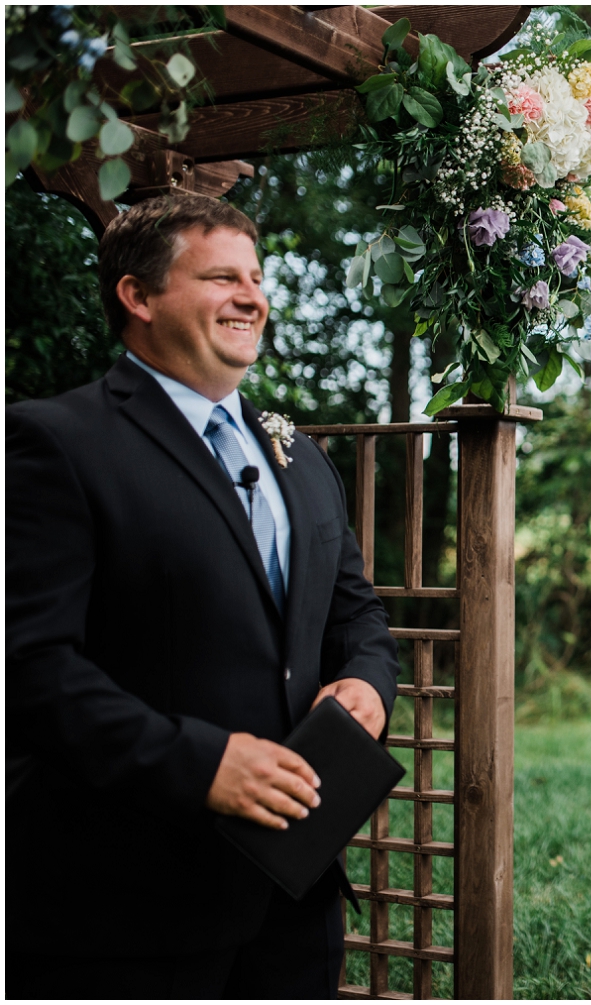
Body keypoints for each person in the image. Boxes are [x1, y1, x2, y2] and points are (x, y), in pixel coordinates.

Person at [7, 194, 399, 997]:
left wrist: (367, 681)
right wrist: (202, 763)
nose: (251, 295)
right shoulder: (55, 442)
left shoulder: (301, 455)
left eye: (256, 276)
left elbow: (357, 611)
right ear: (138, 296)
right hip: (128, 908)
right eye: (221, 276)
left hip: (295, 900)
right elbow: (30, 667)